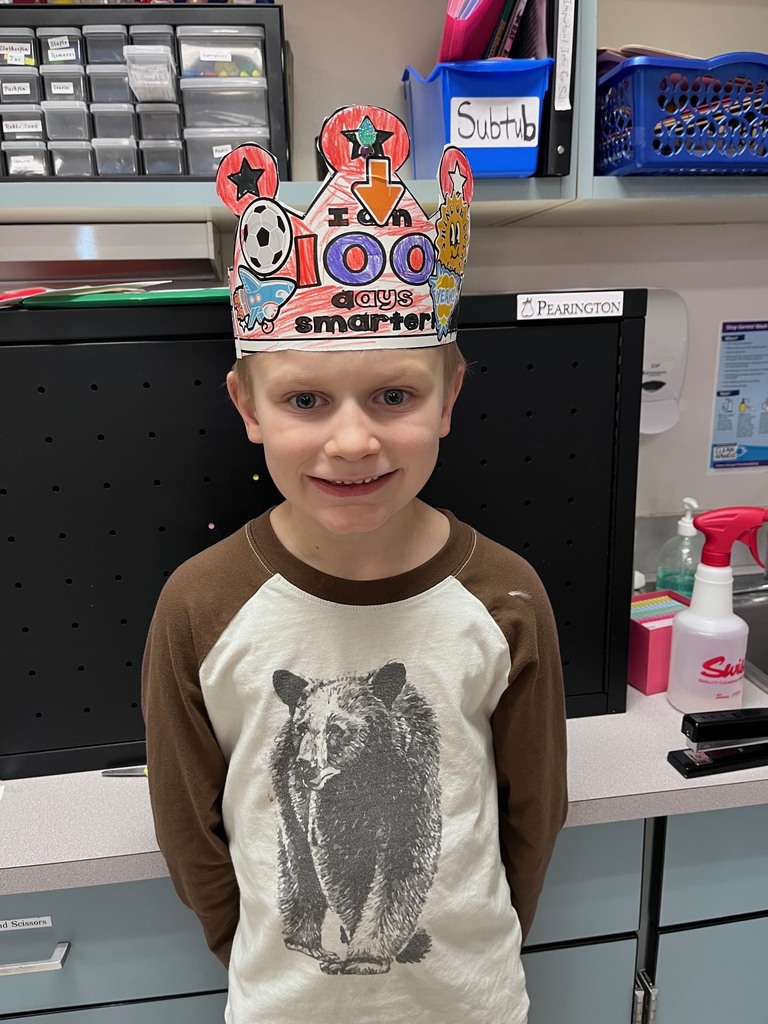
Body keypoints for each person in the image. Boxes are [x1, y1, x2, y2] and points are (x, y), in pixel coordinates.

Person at [142, 105, 567, 1024]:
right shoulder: (202, 603)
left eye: (393, 394)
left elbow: (533, 813)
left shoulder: (505, 596)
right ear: (247, 407)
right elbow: (190, 828)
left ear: (449, 395)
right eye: (303, 398)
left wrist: (483, 944)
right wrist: (260, 948)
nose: (352, 438)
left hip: (473, 1005)